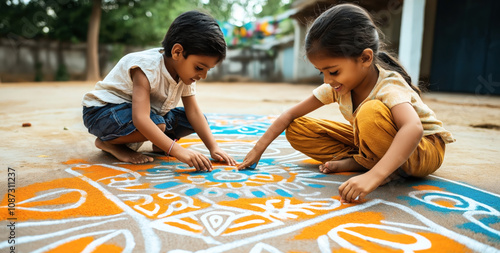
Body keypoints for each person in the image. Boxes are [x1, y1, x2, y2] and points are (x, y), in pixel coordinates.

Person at [238, 4, 454, 203]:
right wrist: (258, 150)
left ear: (365, 58)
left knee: (369, 113)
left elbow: (413, 128)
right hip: (376, 141)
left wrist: (373, 177)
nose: (327, 80)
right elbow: (289, 115)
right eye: (321, 72)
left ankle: (378, 167)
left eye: (333, 71)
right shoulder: (340, 85)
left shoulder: (389, 86)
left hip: (423, 149)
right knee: (297, 129)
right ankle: (365, 161)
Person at [82, 10, 236, 170]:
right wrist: (177, 150)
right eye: (199, 67)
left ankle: (159, 144)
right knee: (158, 125)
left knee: (195, 120)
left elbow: (194, 113)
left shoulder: (185, 73)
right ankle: (107, 143)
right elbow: (141, 118)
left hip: (145, 116)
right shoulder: (146, 68)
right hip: (101, 113)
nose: (202, 75)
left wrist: (214, 148)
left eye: (207, 70)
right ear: (177, 52)